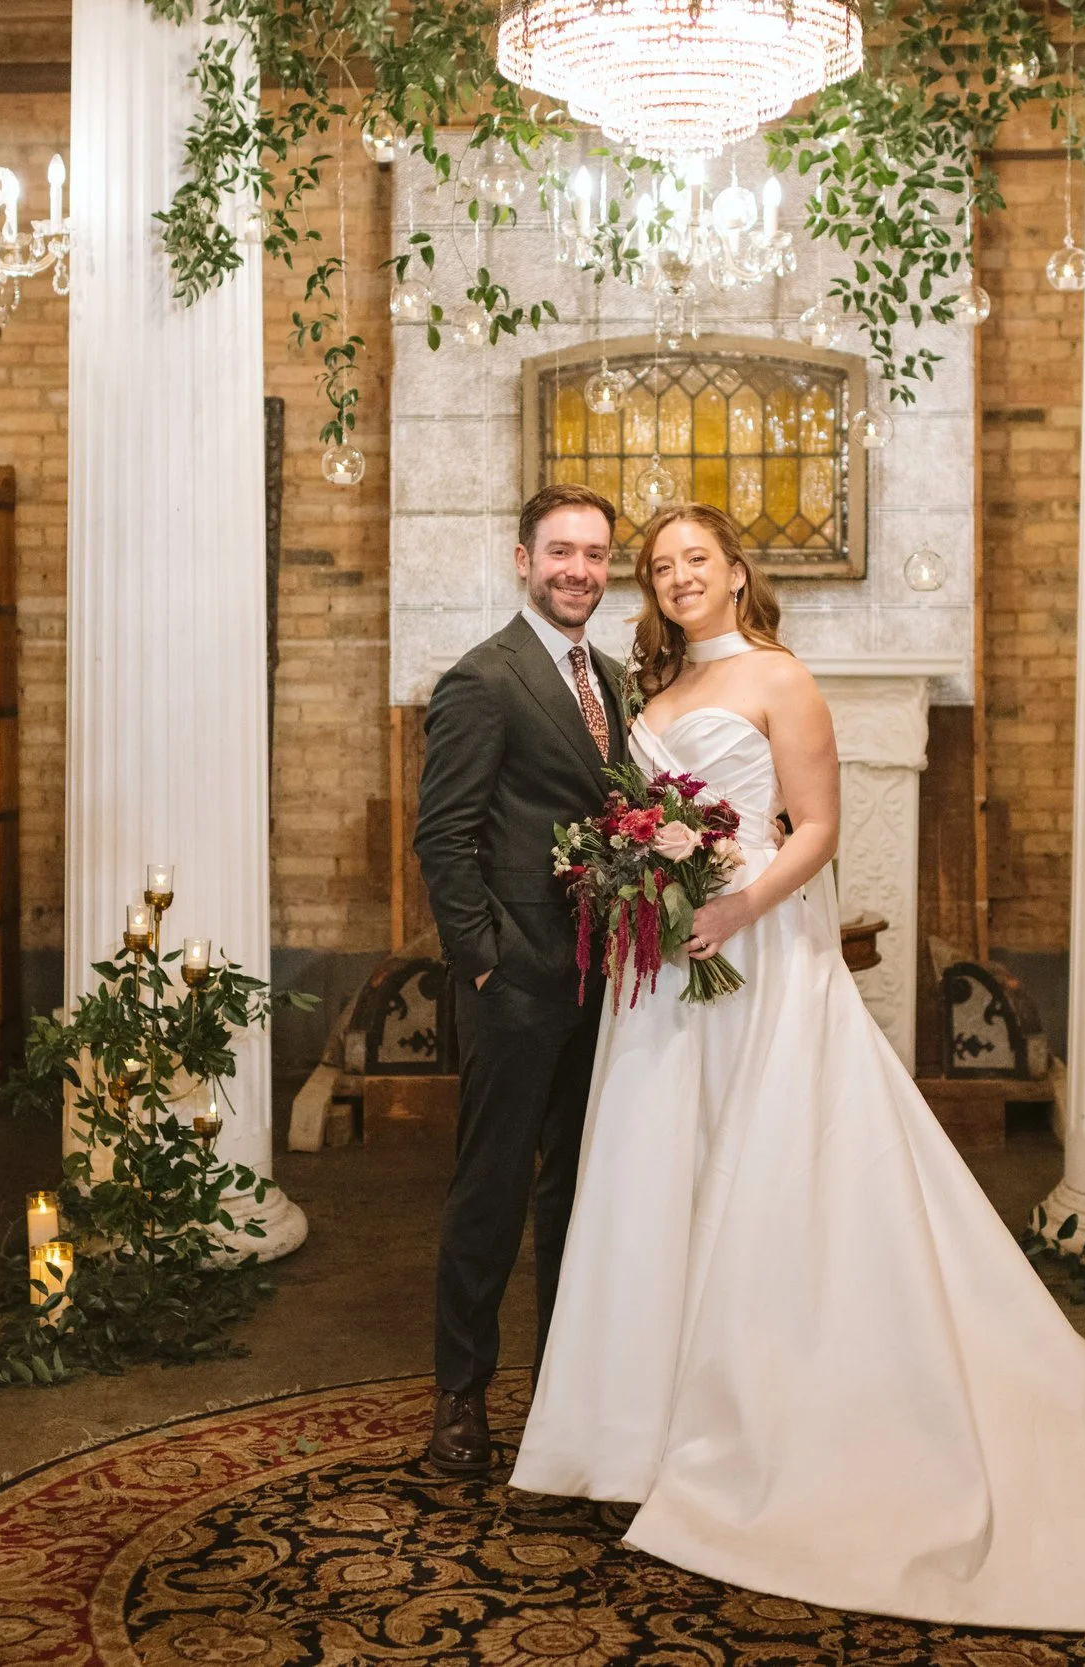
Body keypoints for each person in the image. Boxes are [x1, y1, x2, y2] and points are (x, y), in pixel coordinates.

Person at [509, 501, 1085, 1631]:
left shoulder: (780, 676)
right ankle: (640, 1427)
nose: (677, 578)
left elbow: (815, 827)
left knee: (772, 1176)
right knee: (657, 1175)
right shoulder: (650, 695)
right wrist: (643, 884)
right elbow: (640, 815)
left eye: (695, 561)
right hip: (662, 967)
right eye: (661, 565)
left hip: (756, 949)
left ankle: (776, 1414)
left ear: (734, 572)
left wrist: (737, 903)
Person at [412, 481, 630, 1477]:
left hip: (606, 978)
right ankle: (460, 1392)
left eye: (592, 553)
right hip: (516, 983)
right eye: (559, 552)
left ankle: (564, 1389)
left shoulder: (616, 678)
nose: (577, 569)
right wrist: (486, 963)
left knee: (577, 1193)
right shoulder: (483, 679)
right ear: (521, 558)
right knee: (490, 1190)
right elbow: (444, 839)